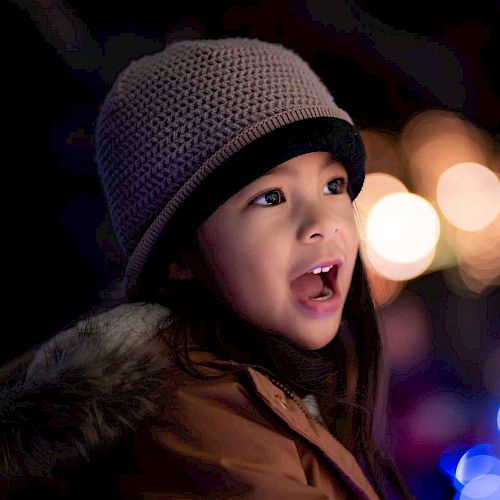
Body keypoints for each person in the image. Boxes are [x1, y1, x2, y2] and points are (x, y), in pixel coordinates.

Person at [0, 37, 413, 499]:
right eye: (270, 196)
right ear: (179, 256)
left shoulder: (278, 387)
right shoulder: (192, 422)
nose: (323, 224)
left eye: (333, 185)